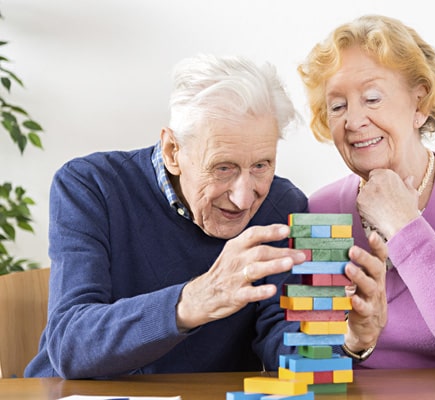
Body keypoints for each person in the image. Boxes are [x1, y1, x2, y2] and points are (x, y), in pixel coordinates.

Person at [25, 54, 309, 379]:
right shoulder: (91, 186)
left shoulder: (284, 206)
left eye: (261, 166)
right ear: (173, 151)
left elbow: (287, 351)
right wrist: (192, 301)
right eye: (223, 168)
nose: (244, 198)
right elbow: (70, 346)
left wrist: (343, 337)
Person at [297, 15, 435, 371]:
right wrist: (355, 341)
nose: (353, 121)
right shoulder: (322, 210)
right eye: (337, 106)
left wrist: (403, 223)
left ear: (420, 104)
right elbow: (314, 360)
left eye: (372, 98)